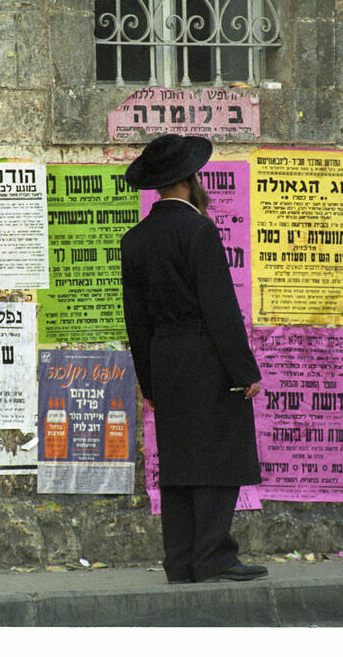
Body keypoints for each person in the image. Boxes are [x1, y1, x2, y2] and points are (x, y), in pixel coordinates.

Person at [120, 133, 268, 584]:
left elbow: (136, 320)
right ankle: (213, 556)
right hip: (207, 357)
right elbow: (219, 307)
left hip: (165, 360)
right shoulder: (199, 230)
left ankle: (181, 560)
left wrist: (148, 382)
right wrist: (245, 370)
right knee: (220, 457)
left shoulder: (135, 239)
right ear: (188, 181)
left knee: (180, 462)